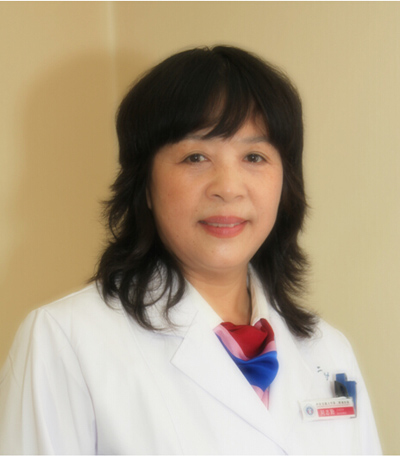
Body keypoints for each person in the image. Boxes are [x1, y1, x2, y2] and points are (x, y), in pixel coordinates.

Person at [0, 45, 381, 455]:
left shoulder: (328, 351)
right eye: (195, 157)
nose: (228, 188)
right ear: (145, 185)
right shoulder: (65, 341)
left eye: (254, 156)